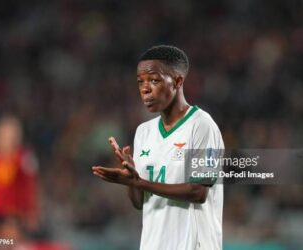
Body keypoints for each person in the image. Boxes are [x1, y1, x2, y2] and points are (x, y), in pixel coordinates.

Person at [92, 45, 224, 250]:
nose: (145, 88)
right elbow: (139, 203)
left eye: (154, 80)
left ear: (178, 81)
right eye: (140, 82)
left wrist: (140, 182)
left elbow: (198, 192)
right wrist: (131, 179)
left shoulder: (202, 125)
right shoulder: (144, 132)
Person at [0, 115, 39, 243]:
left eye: (10, 136)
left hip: (15, 214)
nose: (6, 140)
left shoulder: (24, 159)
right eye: (3, 136)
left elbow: (29, 187)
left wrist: (31, 211)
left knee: (9, 238)